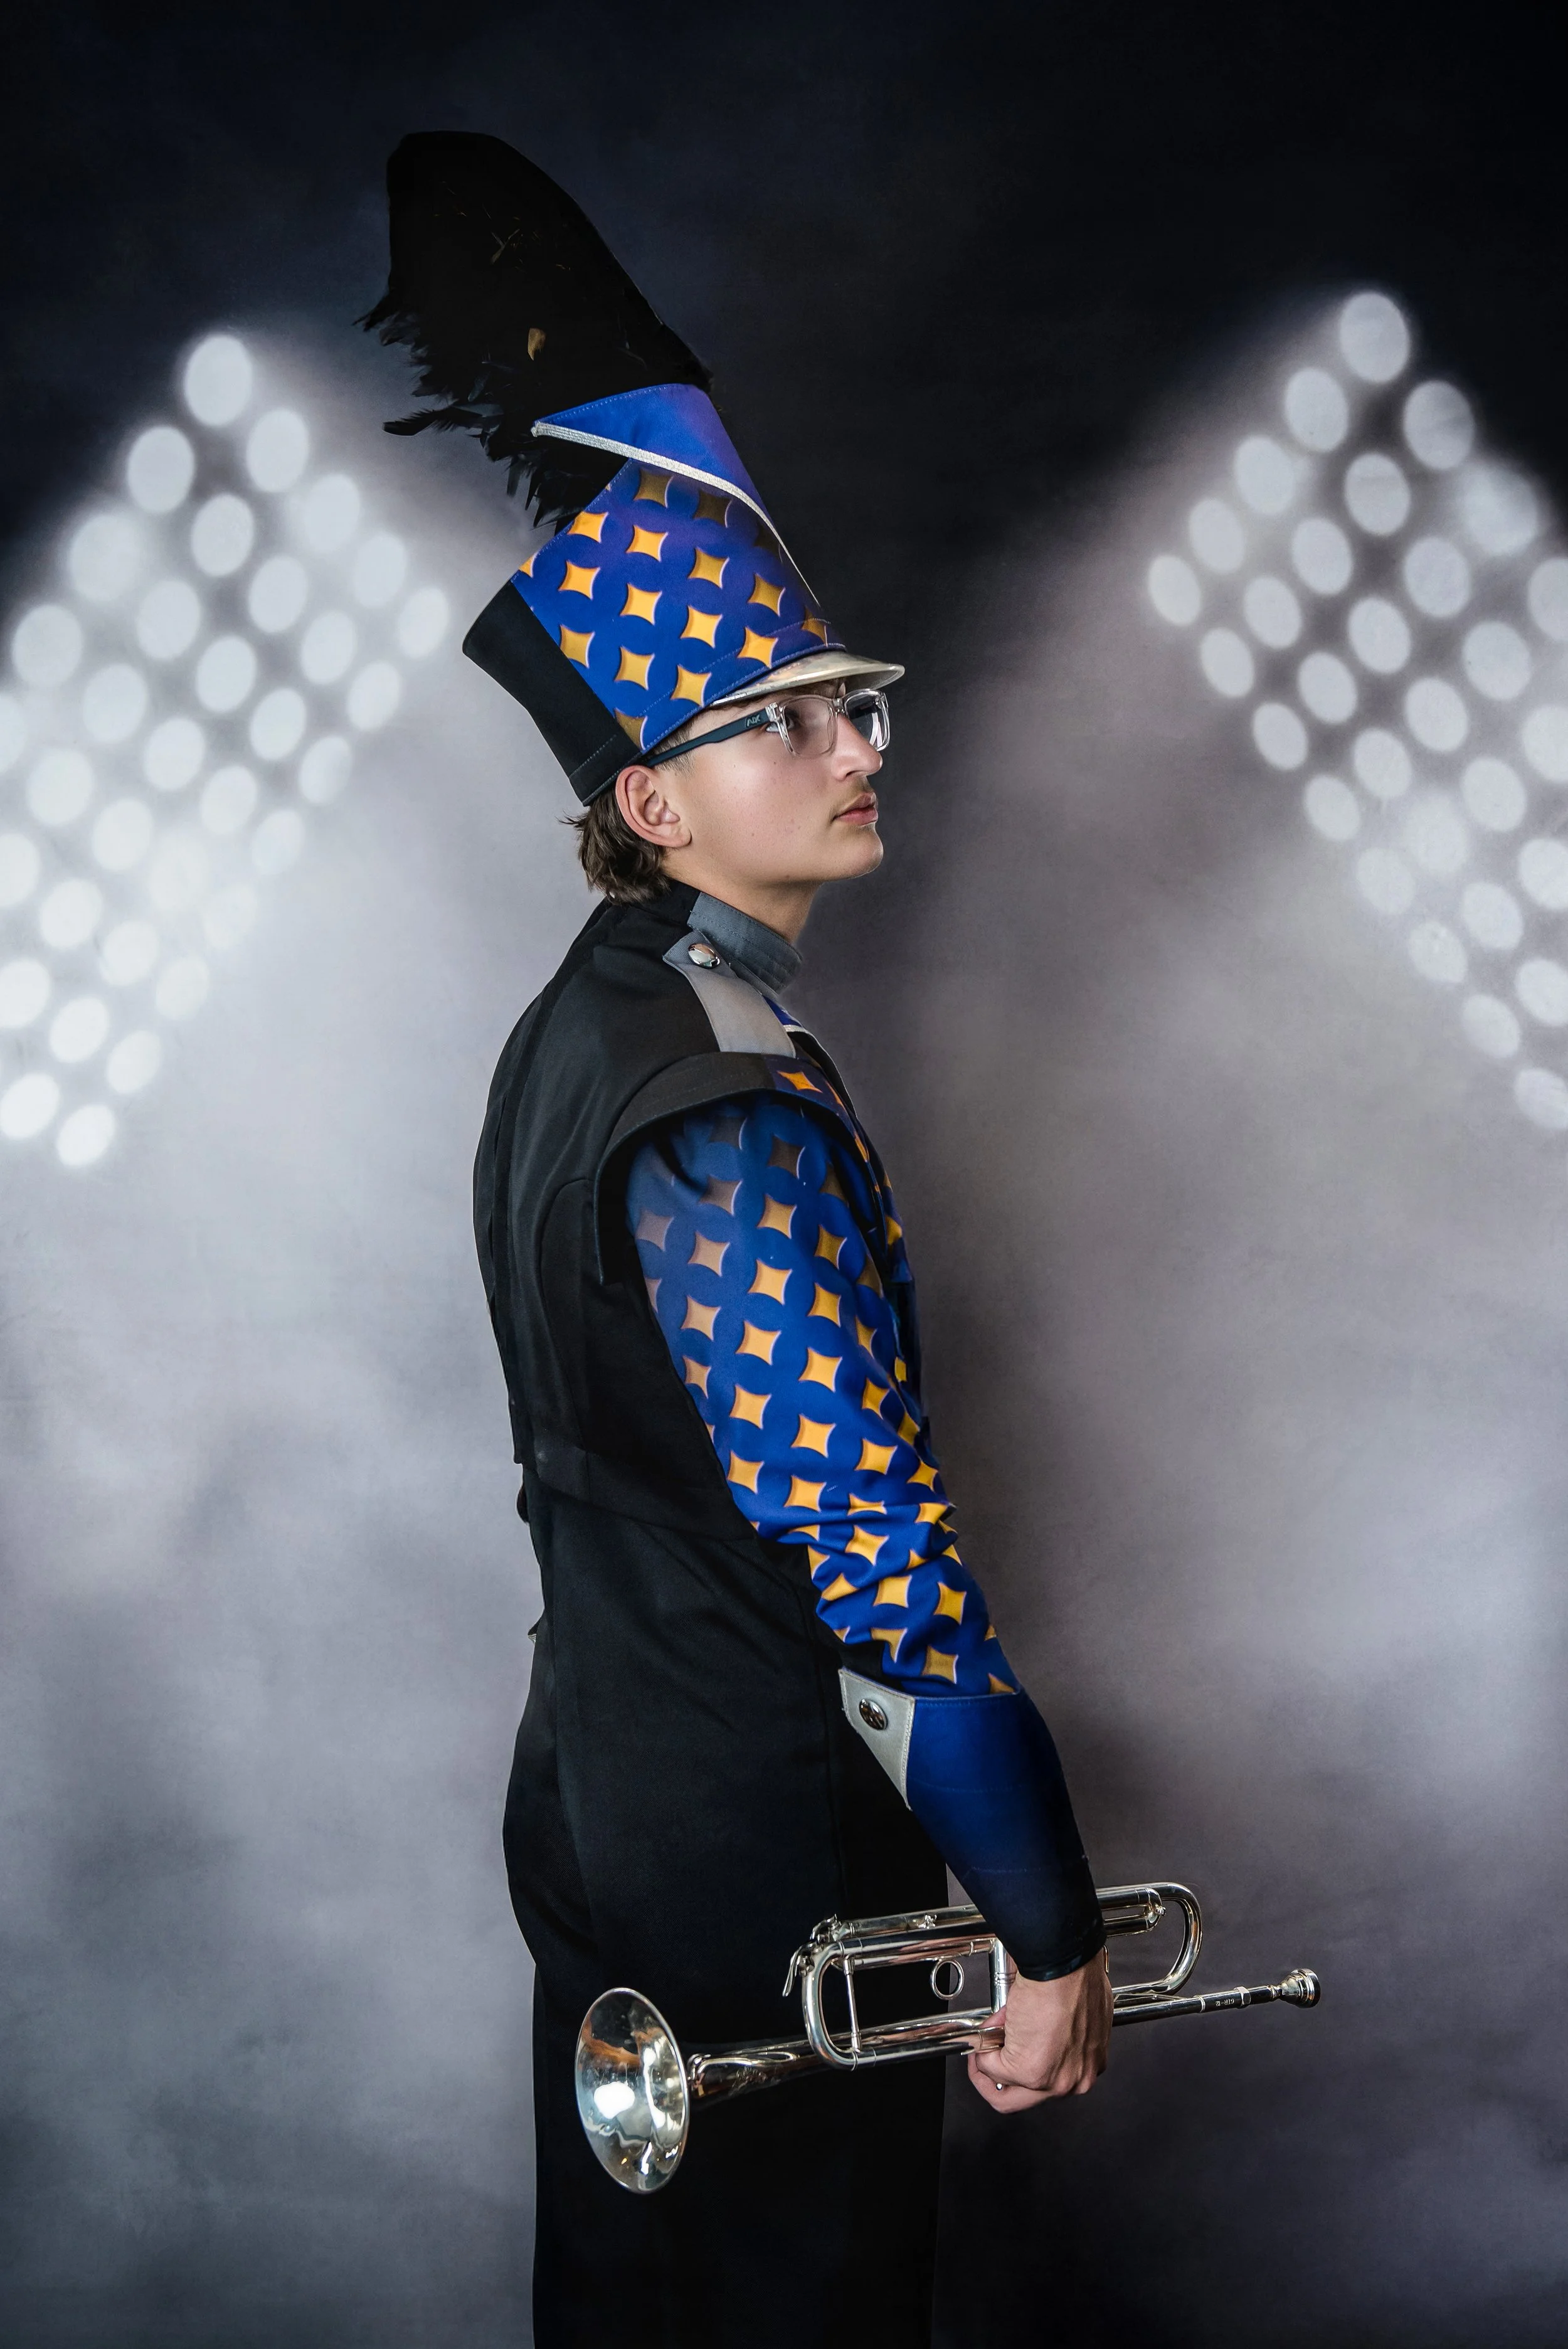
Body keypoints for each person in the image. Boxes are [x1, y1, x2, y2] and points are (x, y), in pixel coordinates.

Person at [368, 130, 1110, 2349]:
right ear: (650, 803)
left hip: (601, 1790)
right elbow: (872, 1574)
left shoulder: (580, 1031)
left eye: (848, 702)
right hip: (750, 1866)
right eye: (775, 721)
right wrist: (1053, 1936)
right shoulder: (720, 1101)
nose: (848, 744)